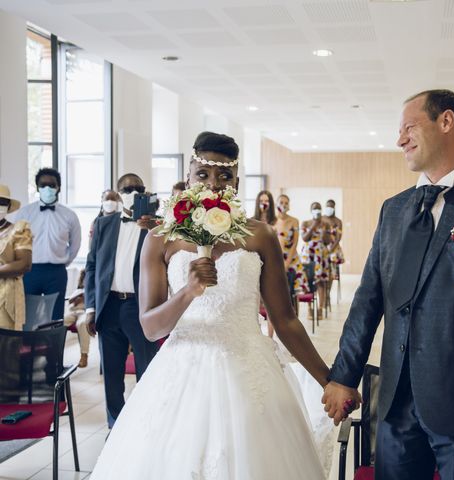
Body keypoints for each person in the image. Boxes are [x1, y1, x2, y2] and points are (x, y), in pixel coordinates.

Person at [90, 132, 335, 479]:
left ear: (235, 183)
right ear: (188, 177)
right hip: (182, 370)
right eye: (203, 175)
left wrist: (328, 380)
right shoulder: (162, 238)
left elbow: (285, 320)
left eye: (225, 177)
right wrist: (187, 291)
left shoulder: (259, 235)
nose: (213, 185)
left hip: (248, 370)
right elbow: (150, 327)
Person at [323, 89, 454, 479]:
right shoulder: (394, 209)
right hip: (394, 404)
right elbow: (369, 298)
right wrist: (343, 376)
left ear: (446, 122)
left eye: (409, 127)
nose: (400, 139)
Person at [84, 173, 160, 428]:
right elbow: (92, 266)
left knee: (147, 368)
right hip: (109, 305)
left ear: (145, 192)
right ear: (117, 193)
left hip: (141, 305)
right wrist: (91, 307)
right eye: (126, 189)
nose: (132, 192)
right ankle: (115, 426)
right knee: (112, 373)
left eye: (138, 188)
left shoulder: (155, 226)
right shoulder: (104, 224)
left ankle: (146, 424)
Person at [11, 168, 81, 321]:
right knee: (28, 316)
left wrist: (62, 261)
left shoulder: (69, 216)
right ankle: (28, 345)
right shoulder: (25, 213)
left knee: (55, 317)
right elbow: (15, 243)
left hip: (56, 272)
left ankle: (53, 346)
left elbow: (75, 245)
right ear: (37, 188)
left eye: (51, 185)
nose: (47, 188)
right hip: (30, 271)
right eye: (43, 185)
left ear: (58, 188)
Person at [0, 185, 32, 330]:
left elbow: (24, 264)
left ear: (8, 206)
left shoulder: (18, 230)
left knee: (6, 344)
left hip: (7, 297)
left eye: (2, 202)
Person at [275, 194, 309, 311]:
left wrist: (287, 262)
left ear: (289, 206)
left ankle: (294, 317)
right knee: (277, 292)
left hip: (291, 258)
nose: (283, 205)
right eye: (281, 202)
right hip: (275, 259)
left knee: (294, 293)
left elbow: (295, 242)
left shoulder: (294, 221)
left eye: (286, 203)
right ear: (276, 204)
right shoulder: (272, 221)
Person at [300, 202, 331, 320]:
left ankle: (320, 309)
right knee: (309, 281)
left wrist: (324, 235)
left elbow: (328, 241)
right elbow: (304, 238)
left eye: (318, 208)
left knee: (321, 282)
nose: (317, 210)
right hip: (309, 254)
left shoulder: (326, 224)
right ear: (311, 210)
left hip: (321, 255)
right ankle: (309, 309)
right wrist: (313, 226)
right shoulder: (306, 223)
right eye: (314, 208)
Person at [63, 270, 91, 367]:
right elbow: (70, 301)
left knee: (82, 324)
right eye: (84, 279)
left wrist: (85, 299)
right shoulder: (78, 290)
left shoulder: (93, 290)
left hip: (85, 312)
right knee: (60, 322)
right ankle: (55, 351)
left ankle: (84, 355)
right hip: (73, 311)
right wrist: (76, 299)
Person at [323, 199, 345, 303]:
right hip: (322, 247)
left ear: (334, 208)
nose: (329, 208)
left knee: (331, 272)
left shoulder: (338, 221)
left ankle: (327, 293)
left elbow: (338, 237)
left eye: (331, 206)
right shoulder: (321, 219)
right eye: (327, 206)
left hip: (333, 249)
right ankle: (322, 292)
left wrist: (331, 250)